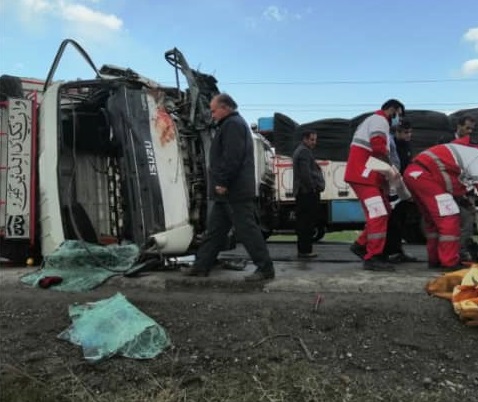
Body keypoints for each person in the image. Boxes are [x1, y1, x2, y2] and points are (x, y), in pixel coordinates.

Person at [182, 93, 275, 281]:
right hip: (228, 193)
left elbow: (232, 157)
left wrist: (223, 182)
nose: (212, 114)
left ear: (225, 108)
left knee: (247, 231)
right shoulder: (231, 124)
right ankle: (201, 266)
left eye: (214, 110)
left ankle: (265, 269)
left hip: (234, 191)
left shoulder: (233, 125)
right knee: (215, 232)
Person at [345, 99, 405, 271]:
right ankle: (373, 257)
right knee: (378, 214)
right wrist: (392, 170)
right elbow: (378, 149)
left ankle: (361, 245)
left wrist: (386, 180)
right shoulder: (380, 121)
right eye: (398, 115)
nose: (398, 120)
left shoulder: (375, 121)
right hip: (363, 175)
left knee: (384, 210)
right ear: (392, 110)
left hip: (366, 175)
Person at [403, 134, 478, 270]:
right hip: (426, 176)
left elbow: (457, 183)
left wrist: (465, 200)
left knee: (432, 222)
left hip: (415, 173)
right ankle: (449, 262)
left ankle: (435, 259)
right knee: (449, 217)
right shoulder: (475, 156)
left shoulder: (462, 149)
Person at [383, 119, 418, 262]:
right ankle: (389, 252)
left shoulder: (407, 145)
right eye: (405, 132)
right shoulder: (392, 146)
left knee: (402, 221)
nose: (408, 135)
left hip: (403, 187)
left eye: (410, 132)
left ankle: (398, 250)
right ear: (397, 132)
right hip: (393, 187)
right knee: (393, 222)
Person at [292, 130, 325, 258]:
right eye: (312, 140)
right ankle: (305, 250)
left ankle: (304, 250)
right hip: (306, 193)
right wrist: (313, 188)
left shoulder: (300, 151)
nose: (314, 142)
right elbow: (305, 174)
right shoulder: (304, 152)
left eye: (315, 140)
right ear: (305, 139)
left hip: (303, 192)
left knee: (304, 222)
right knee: (306, 222)